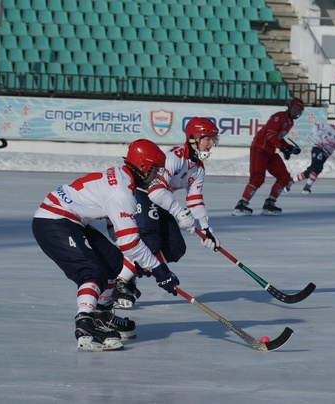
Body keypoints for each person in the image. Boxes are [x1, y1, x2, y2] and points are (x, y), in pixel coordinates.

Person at [32, 139, 183, 352]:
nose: (157, 176)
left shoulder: (123, 179)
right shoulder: (122, 193)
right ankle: (85, 325)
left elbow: (118, 233)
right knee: (91, 272)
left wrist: (145, 260)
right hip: (53, 220)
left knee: (113, 262)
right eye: (155, 170)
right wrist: (160, 270)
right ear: (142, 167)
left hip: (71, 220)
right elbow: (130, 243)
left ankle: (102, 315)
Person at [111, 117, 221, 309]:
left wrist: (205, 228)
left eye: (213, 140)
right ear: (193, 138)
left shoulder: (198, 169)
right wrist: (179, 213)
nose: (211, 144)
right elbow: (155, 190)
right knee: (151, 241)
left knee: (175, 248)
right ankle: (119, 281)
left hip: (161, 200)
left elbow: (195, 200)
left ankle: (131, 271)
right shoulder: (175, 157)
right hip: (142, 193)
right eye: (208, 139)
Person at [232, 97, 303, 216]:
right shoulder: (279, 117)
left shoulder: (290, 122)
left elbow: (278, 137)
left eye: (299, 109)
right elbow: (270, 136)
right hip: (260, 148)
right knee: (258, 178)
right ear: (289, 106)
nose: (296, 111)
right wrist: (283, 148)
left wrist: (289, 147)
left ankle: (270, 203)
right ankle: (242, 205)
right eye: (295, 108)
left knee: (284, 177)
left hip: (270, 151)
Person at [288, 115, 335, 194]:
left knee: (314, 170)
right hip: (319, 147)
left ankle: (292, 181)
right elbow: (315, 126)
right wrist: (317, 137)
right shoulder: (329, 126)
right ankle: (307, 187)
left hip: (326, 154)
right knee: (319, 165)